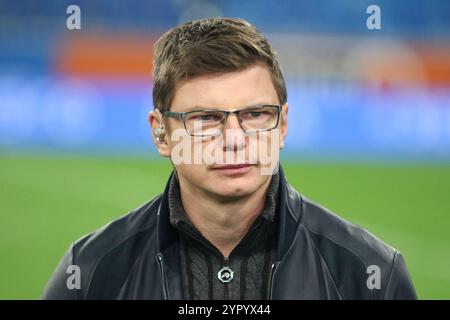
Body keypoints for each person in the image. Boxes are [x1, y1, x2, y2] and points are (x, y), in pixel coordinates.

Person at [42, 17, 416, 300]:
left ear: (282, 126)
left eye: (256, 114)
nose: (235, 139)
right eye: (206, 118)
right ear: (160, 133)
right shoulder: (91, 271)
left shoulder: (370, 274)